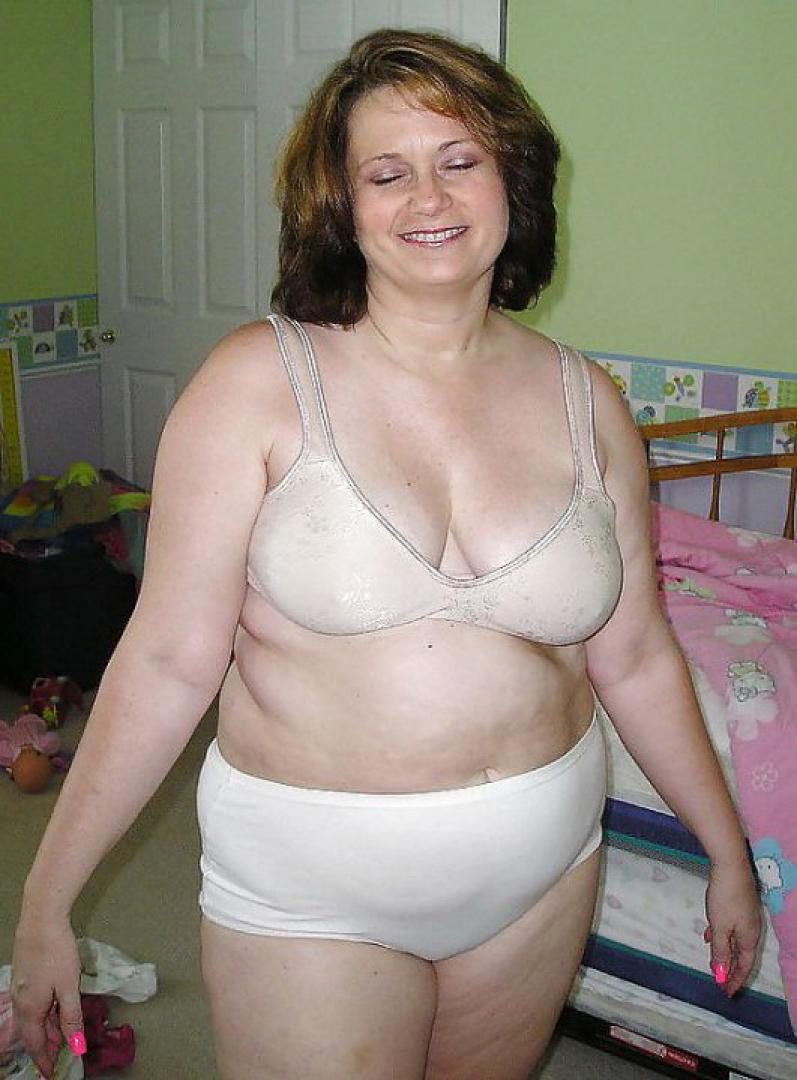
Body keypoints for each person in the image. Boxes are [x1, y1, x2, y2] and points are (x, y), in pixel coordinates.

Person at [12, 28, 761, 1080]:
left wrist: (727, 852)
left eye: (459, 159)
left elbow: (633, 655)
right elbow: (168, 662)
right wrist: (46, 903)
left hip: (541, 875)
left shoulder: (585, 400)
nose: (429, 197)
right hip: (313, 892)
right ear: (340, 205)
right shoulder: (254, 384)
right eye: (386, 172)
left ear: (511, 182)